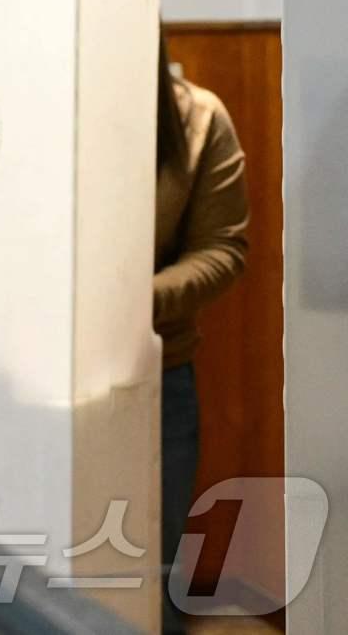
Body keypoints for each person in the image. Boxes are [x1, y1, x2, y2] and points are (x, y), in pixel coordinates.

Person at [154, 33, 249, 630]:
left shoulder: (197, 116)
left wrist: (128, 303)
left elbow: (223, 249)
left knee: (148, 578)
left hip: (158, 376)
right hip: (20, 380)